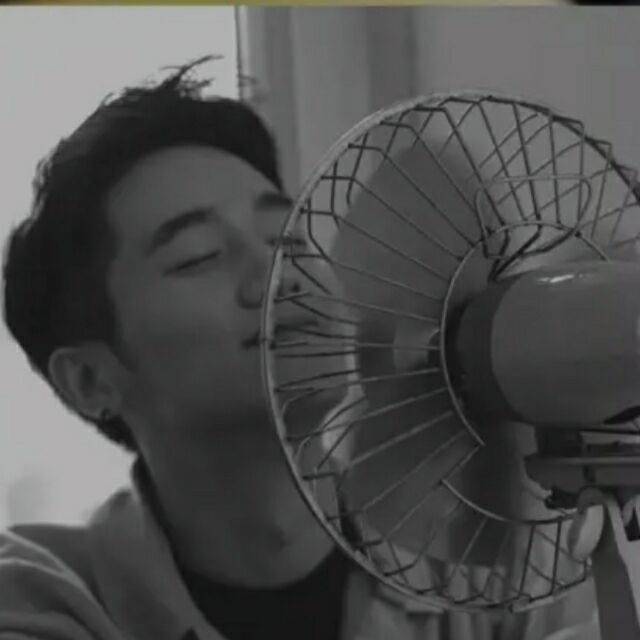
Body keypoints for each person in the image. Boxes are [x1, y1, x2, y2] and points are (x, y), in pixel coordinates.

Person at [0, 58, 598, 640]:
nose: (278, 274)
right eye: (199, 256)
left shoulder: (487, 585)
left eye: (286, 237)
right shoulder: (43, 598)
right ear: (90, 381)